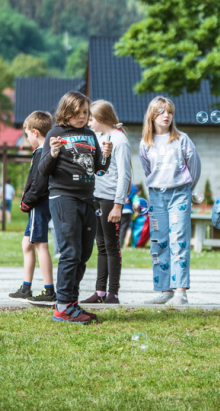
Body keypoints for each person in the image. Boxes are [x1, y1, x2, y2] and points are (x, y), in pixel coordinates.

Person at [39, 91, 112, 324]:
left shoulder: (90, 135)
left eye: (85, 112)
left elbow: (99, 169)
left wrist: (107, 156)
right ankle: (61, 306)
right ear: (66, 111)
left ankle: (72, 303)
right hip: (64, 198)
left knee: (83, 254)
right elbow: (43, 170)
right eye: (77, 112)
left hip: (88, 199)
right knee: (70, 252)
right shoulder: (55, 134)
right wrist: (52, 153)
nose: (82, 116)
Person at [140, 96, 201, 306]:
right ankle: (164, 290)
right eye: (161, 111)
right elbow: (148, 170)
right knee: (159, 242)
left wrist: (185, 190)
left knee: (179, 240)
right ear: (152, 115)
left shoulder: (182, 139)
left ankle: (180, 292)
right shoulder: (145, 143)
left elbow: (195, 167)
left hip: (179, 194)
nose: (166, 115)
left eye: (170, 112)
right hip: (156, 196)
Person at [81, 100, 132, 305]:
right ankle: (100, 292)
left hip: (111, 200)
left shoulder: (120, 140)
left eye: (91, 118)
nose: (89, 121)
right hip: (97, 199)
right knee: (100, 246)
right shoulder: (99, 137)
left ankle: (113, 294)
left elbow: (124, 175)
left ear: (101, 118)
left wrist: (119, 205)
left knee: (112, 247)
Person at [9, 111, 56, 305]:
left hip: (38, 203)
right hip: (39, 203)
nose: (27, 138)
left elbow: (39, 182)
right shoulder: (44, 151)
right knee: (27, 244)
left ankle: (49, 290)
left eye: (27, 133)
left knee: (40, 245)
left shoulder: (42, 152)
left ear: (35, 132)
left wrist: (26, 201)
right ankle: (26, 288)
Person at [119, 184, 137, 248]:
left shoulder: (120, 184)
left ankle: (118, 244)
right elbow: (135, 189)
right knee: (123, 228)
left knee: (118, 227)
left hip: (119, 209)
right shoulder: (131, 185)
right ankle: (120, 244)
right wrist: (129, 197)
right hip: (127, 209)